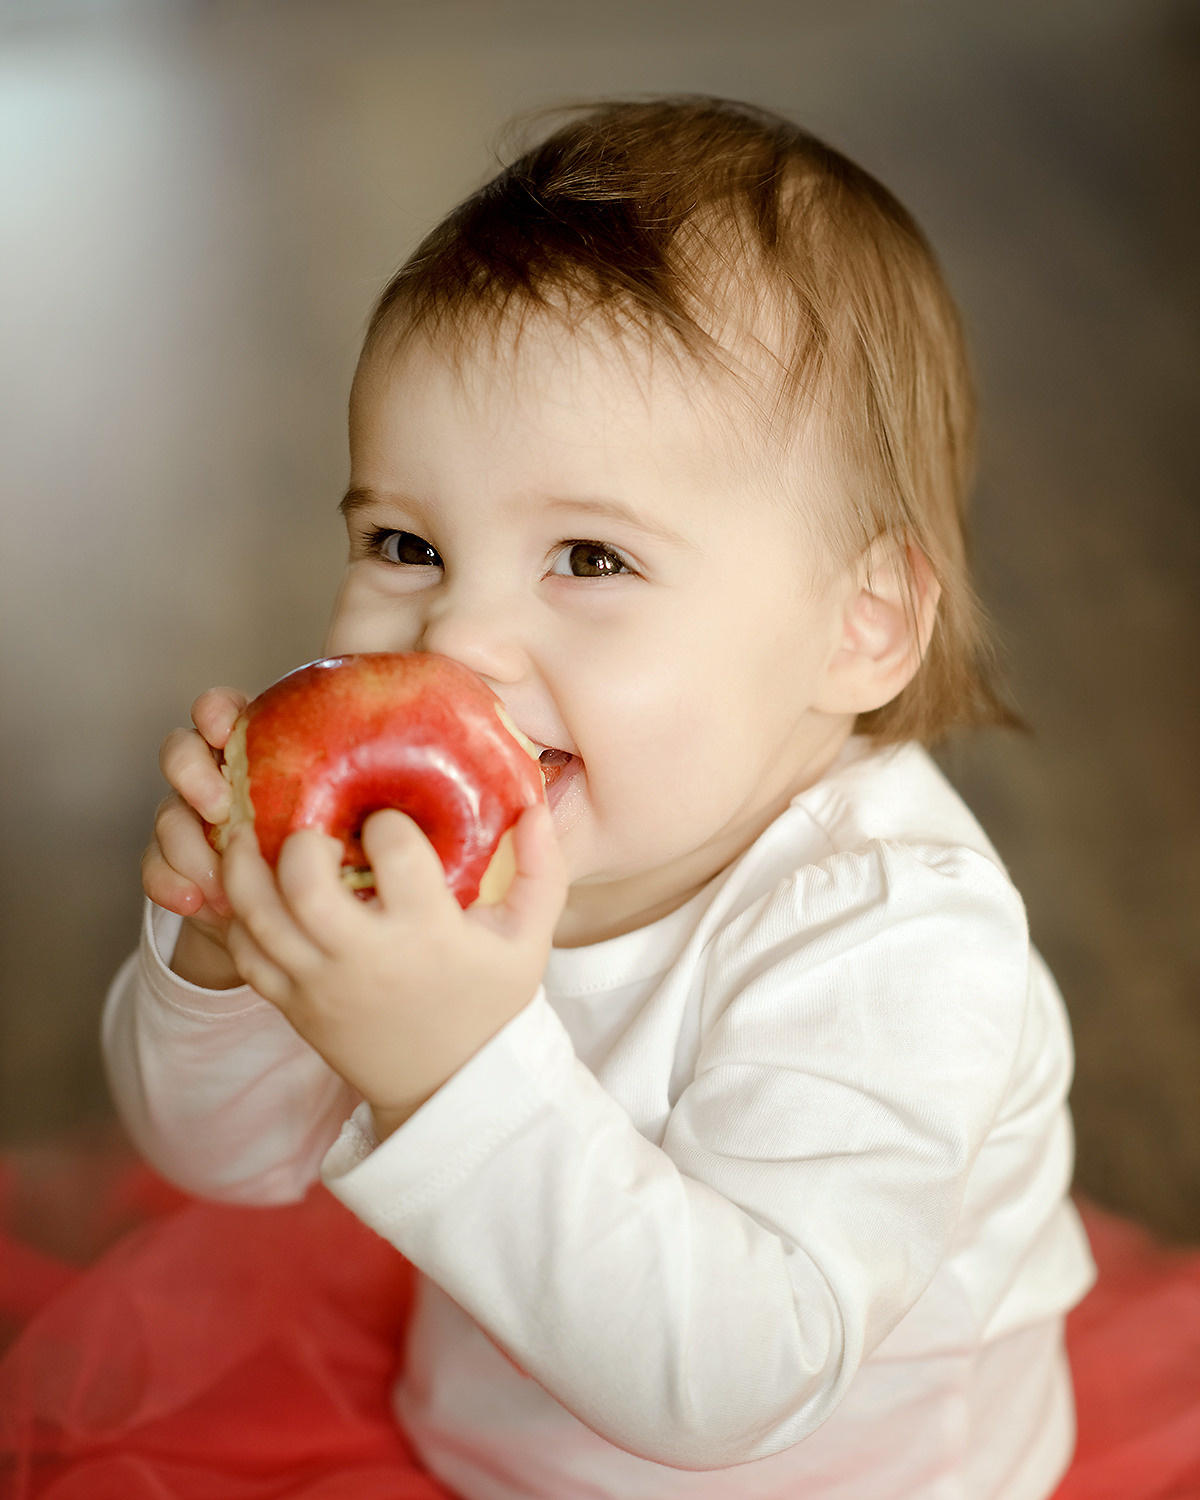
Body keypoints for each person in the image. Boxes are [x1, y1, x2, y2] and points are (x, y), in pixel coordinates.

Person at [105, 98, 1096, 1498]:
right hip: (479, 1453)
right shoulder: (423, 850)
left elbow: (740, 1381)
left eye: (589, 559)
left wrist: (450, 1064)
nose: (452, 643)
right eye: (405, 542)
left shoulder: (896, 948)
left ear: (859, 626)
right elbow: (222, 1160)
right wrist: (221, 958)